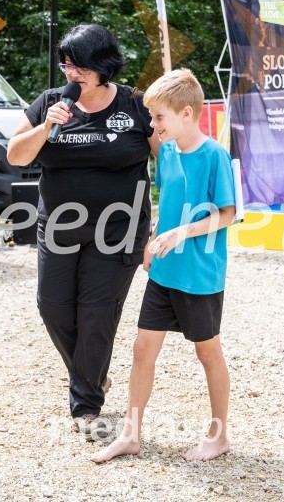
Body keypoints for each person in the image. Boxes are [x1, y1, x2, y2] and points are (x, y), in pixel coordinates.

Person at [7, 24, 159, 440]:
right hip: (58, 226)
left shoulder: (136, 104)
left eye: (79, 65)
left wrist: (163, 227)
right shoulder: (51, 103)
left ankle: (86, 405)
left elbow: (170, 162)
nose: (70, 72)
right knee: (52, 307)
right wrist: (45, 127)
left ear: (103, 65)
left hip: (120, 229)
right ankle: (90, 376)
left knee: (96, 315)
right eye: (66, 63)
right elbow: (15, 154)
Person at [91, 69, 236, 463]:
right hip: (165, 269)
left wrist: (182, 233)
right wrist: (154, 238)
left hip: (200, 274)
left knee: (208, 354)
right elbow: (170, 201)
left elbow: (227, 214)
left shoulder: (215, 156)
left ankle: (218, 435)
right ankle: (130, 434)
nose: (153, 125)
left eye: (159, 118)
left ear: (186, 114)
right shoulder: (168, 152)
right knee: (142, 348)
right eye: (152, 117)